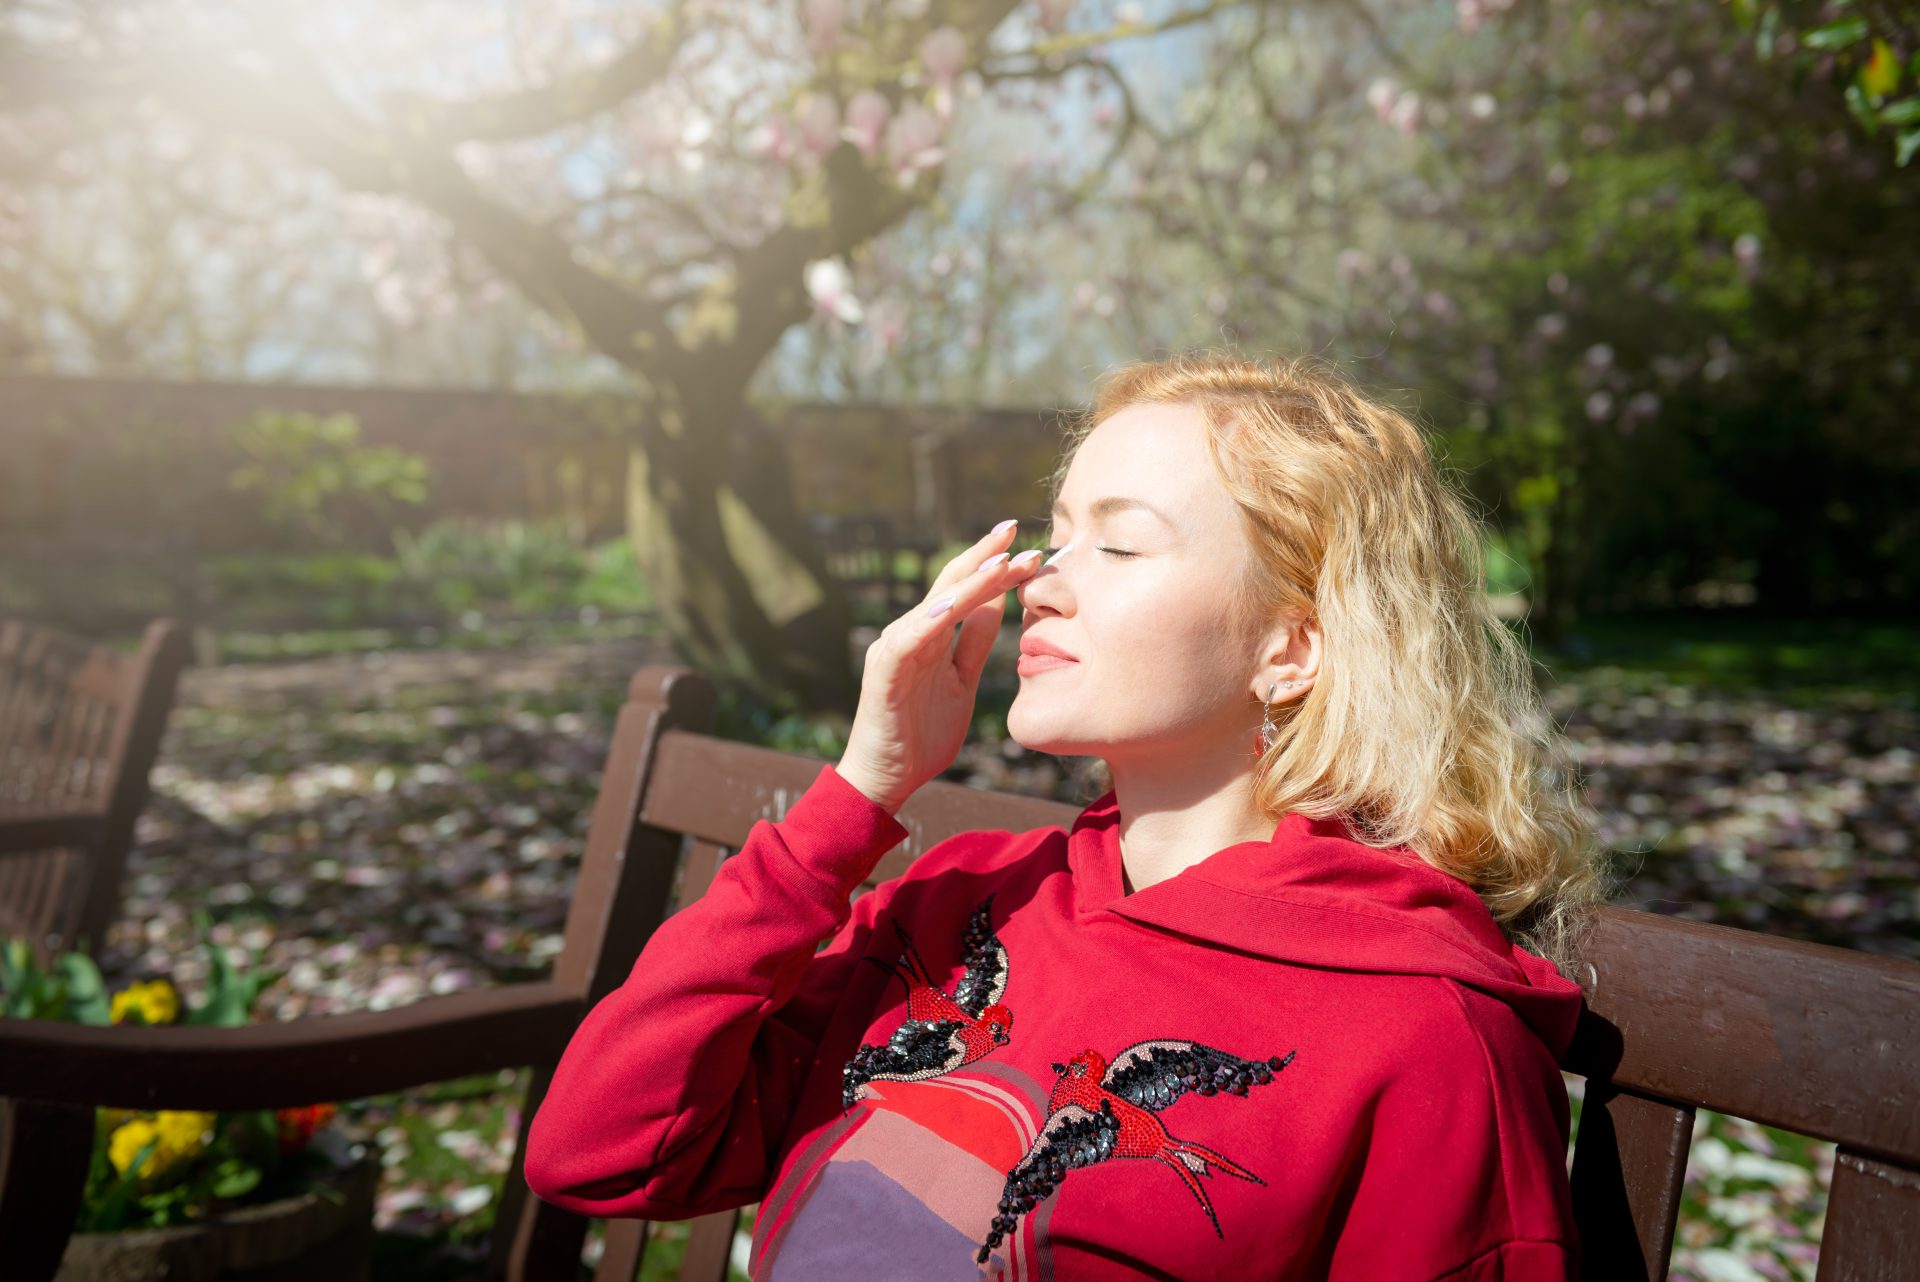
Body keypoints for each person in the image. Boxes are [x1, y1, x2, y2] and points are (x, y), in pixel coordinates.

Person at [524, 351, 1614, 1280]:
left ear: (1293, 647)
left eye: (1122, 543)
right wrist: (858, 793)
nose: (1041, 583)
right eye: (1056, 537)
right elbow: (599, 1150)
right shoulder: (960, 903)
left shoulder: (1425, 1044)